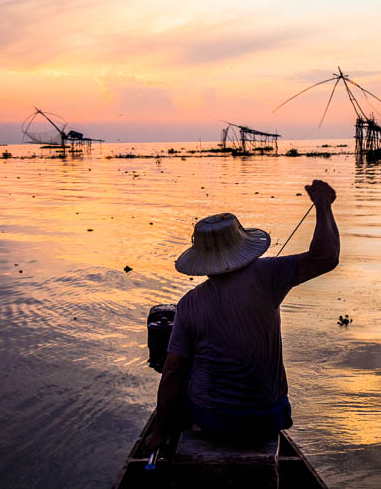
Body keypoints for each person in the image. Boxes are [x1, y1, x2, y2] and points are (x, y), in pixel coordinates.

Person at [145, 179, 339, 450]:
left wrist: (159, 432)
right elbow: (326, 256)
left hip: (213, 419)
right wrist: (323, 204)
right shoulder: (267, 274)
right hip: (268, 418)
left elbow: (173, 371)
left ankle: (179, 435)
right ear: (241, 245)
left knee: (182, 367)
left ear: (202, 258)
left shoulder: (188, 304)